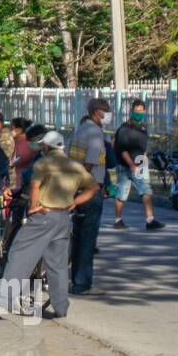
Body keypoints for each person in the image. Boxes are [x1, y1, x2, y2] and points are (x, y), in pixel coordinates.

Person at [0, 131, 100, 319]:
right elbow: (94, 187)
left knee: (20, 255)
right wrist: (75, 202)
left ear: (46, 147)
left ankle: (5, 301)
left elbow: (35, 186)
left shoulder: (43, 163)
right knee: (58, 265)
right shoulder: (75, 166)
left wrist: (33, 207)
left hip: (43, 216)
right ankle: (61, 307)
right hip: (63, 218)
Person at [68, 98, 111, 293]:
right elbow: (89, 164)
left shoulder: (80, 131)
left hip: (76, 189)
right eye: (106, 110)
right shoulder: (94, 133)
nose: (108, 114)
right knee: (87, 239)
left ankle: (76, 279)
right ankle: (82, 283)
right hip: (89, 190)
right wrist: (87, 185)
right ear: (96, 111)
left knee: (78, 238)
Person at [112, 99, 165, 230]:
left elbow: (143, 146)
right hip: (125, 166)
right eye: (136, 111)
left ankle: (150, 219)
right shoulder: (125, 128)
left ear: (145, 111)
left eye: (141, 111)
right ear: (132, 111)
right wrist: (131, 164)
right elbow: (122, 149)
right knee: (122, 193)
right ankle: (118, 220)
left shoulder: (143, 128)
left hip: (140, 164)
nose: (139, 113)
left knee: (146, 190)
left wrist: (144, 158)